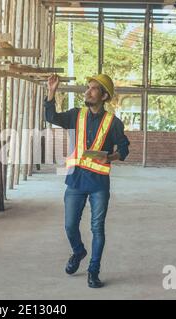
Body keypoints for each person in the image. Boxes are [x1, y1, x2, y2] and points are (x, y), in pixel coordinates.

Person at [44, 74, 130, 288]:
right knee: (70, 225)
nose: (87, 91)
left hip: (99, 183)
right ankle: (78, 251)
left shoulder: (113, 122)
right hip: (75, 180)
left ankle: (94, 271)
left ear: (104, 95)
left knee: (97, 228)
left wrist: (109, 157)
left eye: (93, 89)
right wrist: (52, 91)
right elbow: (51, 117)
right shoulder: (76, 115)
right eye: (88, 88)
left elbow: (125, 149)